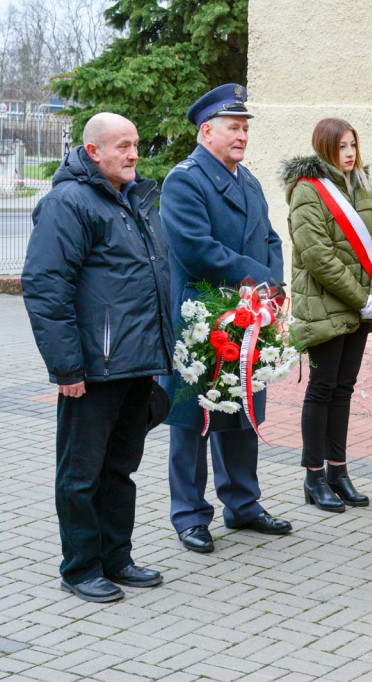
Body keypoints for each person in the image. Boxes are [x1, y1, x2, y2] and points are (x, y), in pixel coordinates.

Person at [22, 112, 173, 602]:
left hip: (135, 362)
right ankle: (80, 567)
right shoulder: (69, 202)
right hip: (92, 367)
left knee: (120, 469)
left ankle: (116, 557)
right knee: (81, 473)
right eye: (122, 146)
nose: (133, 155)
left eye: (135, 145)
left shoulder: (135, 199)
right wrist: (66, 367)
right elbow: (47, 288)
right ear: (94, 152)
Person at [159, 84, 291, 554]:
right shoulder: (185, 180)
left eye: (245, 128)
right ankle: (190, 514)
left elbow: (271, 238)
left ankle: (242, 503)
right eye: (233, 128)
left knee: (241, 410)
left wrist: (272, 287)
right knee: (192, 420)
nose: (242, 136)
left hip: (247, 316)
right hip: (202, 320)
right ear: (206, 131)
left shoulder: (246, 179)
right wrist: (257, 280)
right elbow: (196, 249)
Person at [280, 118, 372, 512]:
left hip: (361, 307)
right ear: (324, 148)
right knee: (322, 388)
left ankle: (338, 471)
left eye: (353, 145)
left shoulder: (360, 184)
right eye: (341, 146)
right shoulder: (307, 192)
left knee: (343, 389)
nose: (349, 153)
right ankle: (313, 476)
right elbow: (317, 256)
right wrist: (361, 297)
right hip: (325, 306)